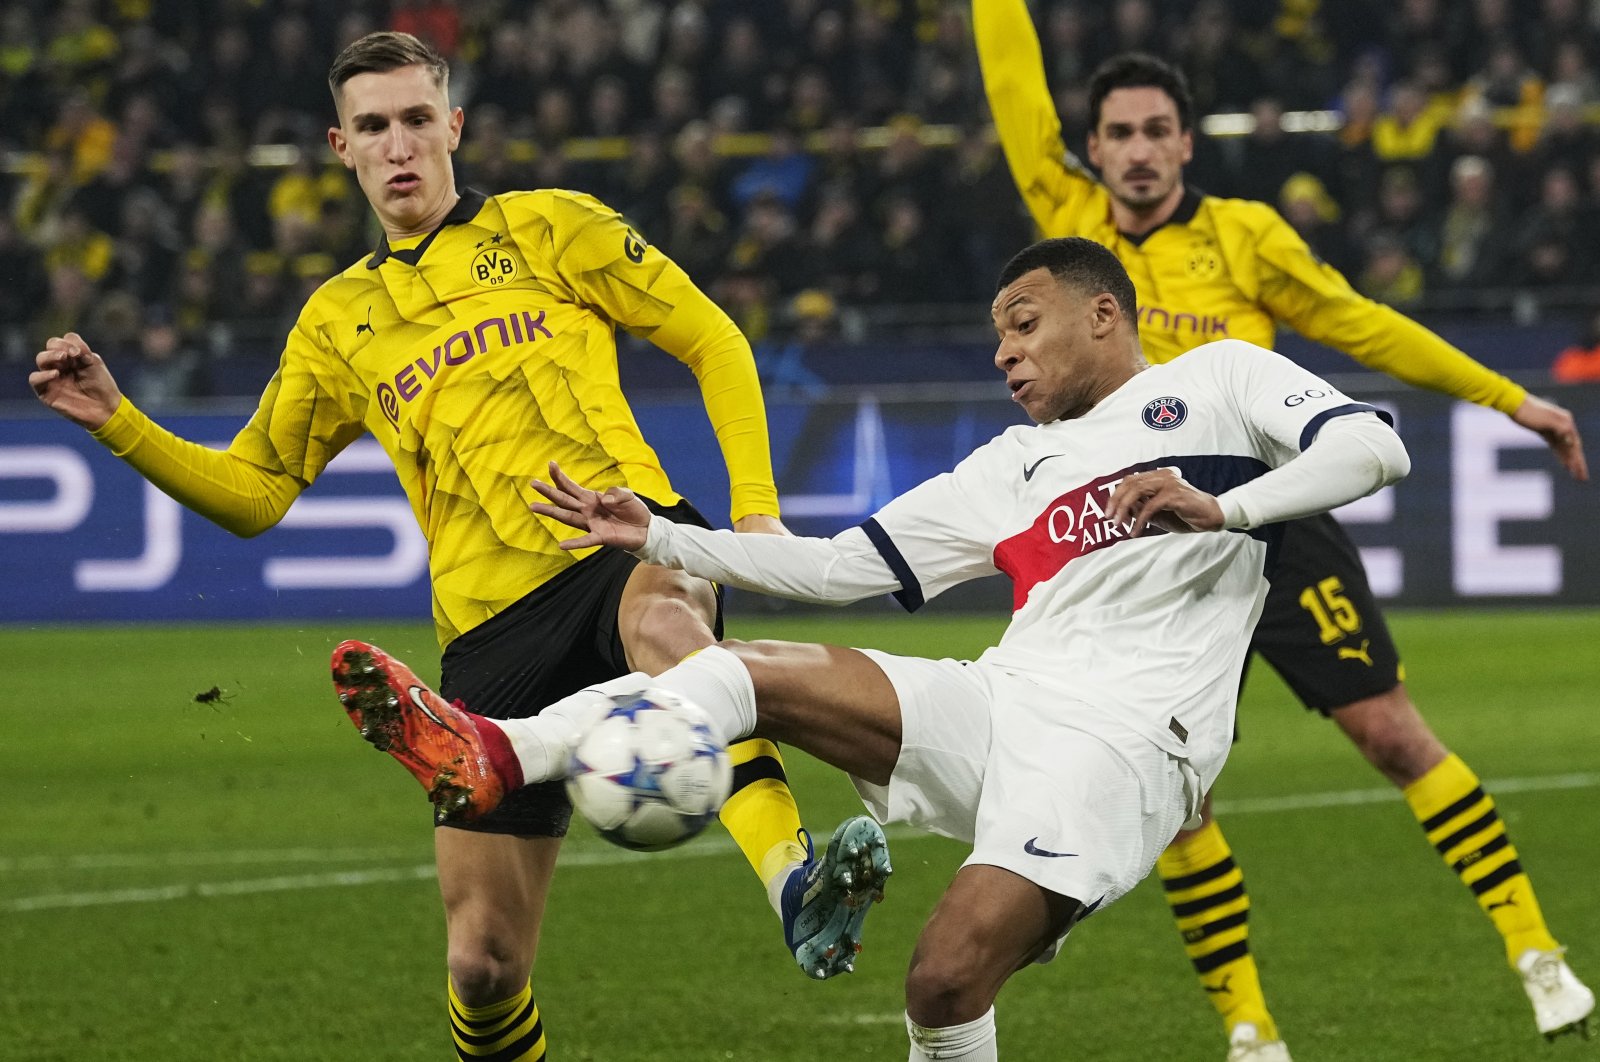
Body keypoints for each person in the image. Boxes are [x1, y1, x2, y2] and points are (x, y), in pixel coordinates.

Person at [328, 236, 1412, 1062]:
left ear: (1102, 312)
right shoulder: (1010, 465)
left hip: (1130, 746)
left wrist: (1227, 511)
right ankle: (501, 752)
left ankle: (524, 749)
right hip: (1008, 699)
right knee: (741, 666)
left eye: (1023, 324)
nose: (1003, 351)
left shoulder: (1221, 379)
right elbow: (841, 565)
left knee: (942, 982)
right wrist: (657, 536)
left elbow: (1375, 445)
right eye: (997, 334)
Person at [28, 31, 887, 1062]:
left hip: (620, 539)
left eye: (418, 121)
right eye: (377, 128)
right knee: (482, 967)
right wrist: (121, 420)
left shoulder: (549, 227)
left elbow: (710, 336)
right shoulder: (335, 322)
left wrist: (751, 516)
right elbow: (257, 493)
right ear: (340, 146)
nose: (401, 146)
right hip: (487, 634)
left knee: (666, 618)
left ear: (455, 128)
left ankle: (795, 882)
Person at [970, 7, 1594, 1057]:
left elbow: (1360, 322)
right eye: (1116, 133)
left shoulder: (1246, 235)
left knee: (1392, 733)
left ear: (1184, 141)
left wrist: (1503, 398)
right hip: (1134, 546)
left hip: (1267, 516)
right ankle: (1250, 1030)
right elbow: (1011, 88)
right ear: (1091, 151)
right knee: (1180, 793)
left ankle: (1538, 956)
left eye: (1153, 129)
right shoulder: (1068, 223)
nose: (1134, 151)